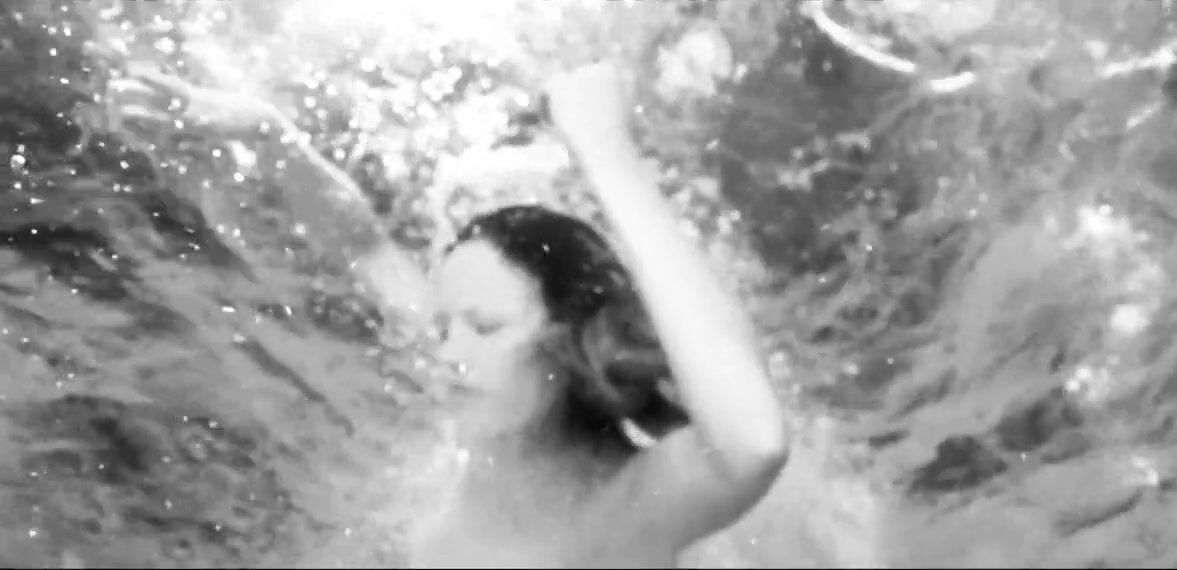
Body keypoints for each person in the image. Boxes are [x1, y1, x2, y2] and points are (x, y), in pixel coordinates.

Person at [111, 62, 790, 567]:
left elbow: (753, 445)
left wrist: (606, 151)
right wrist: (270, 138)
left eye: (487, 328)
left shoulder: (623, 511)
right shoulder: (467, 383)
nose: (446, 354)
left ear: (568, 343)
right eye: (442, 326)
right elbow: (363, 244)